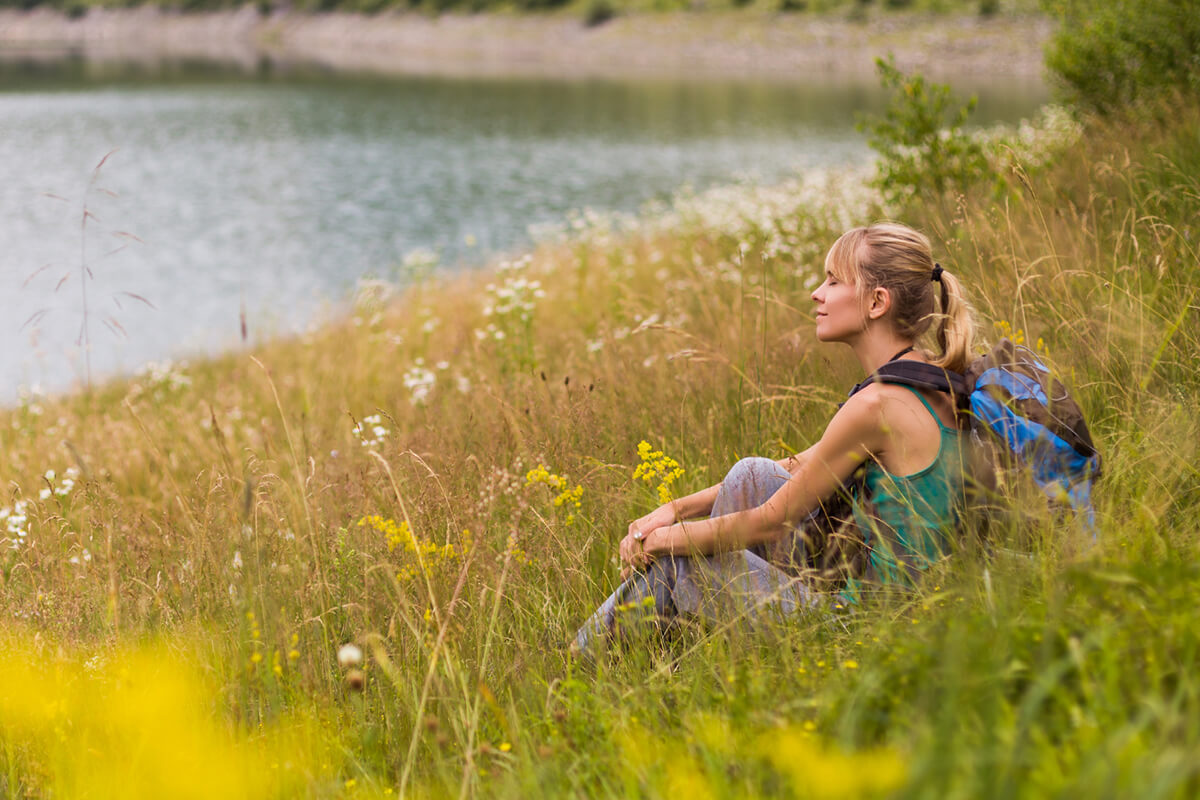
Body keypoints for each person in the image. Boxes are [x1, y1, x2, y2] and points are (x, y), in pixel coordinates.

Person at [573, 222, 977, 655]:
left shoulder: (878, 405)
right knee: (753, 473)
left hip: (869, 636)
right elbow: (796, 467)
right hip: (914, 616)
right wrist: (673, 509)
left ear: (877, 302)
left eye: (833, 280)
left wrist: (655, 542)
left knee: (681, 565)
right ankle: (700, 646)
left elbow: (772, 520)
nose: (816, 293)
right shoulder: (931, 378)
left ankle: (577, 663)